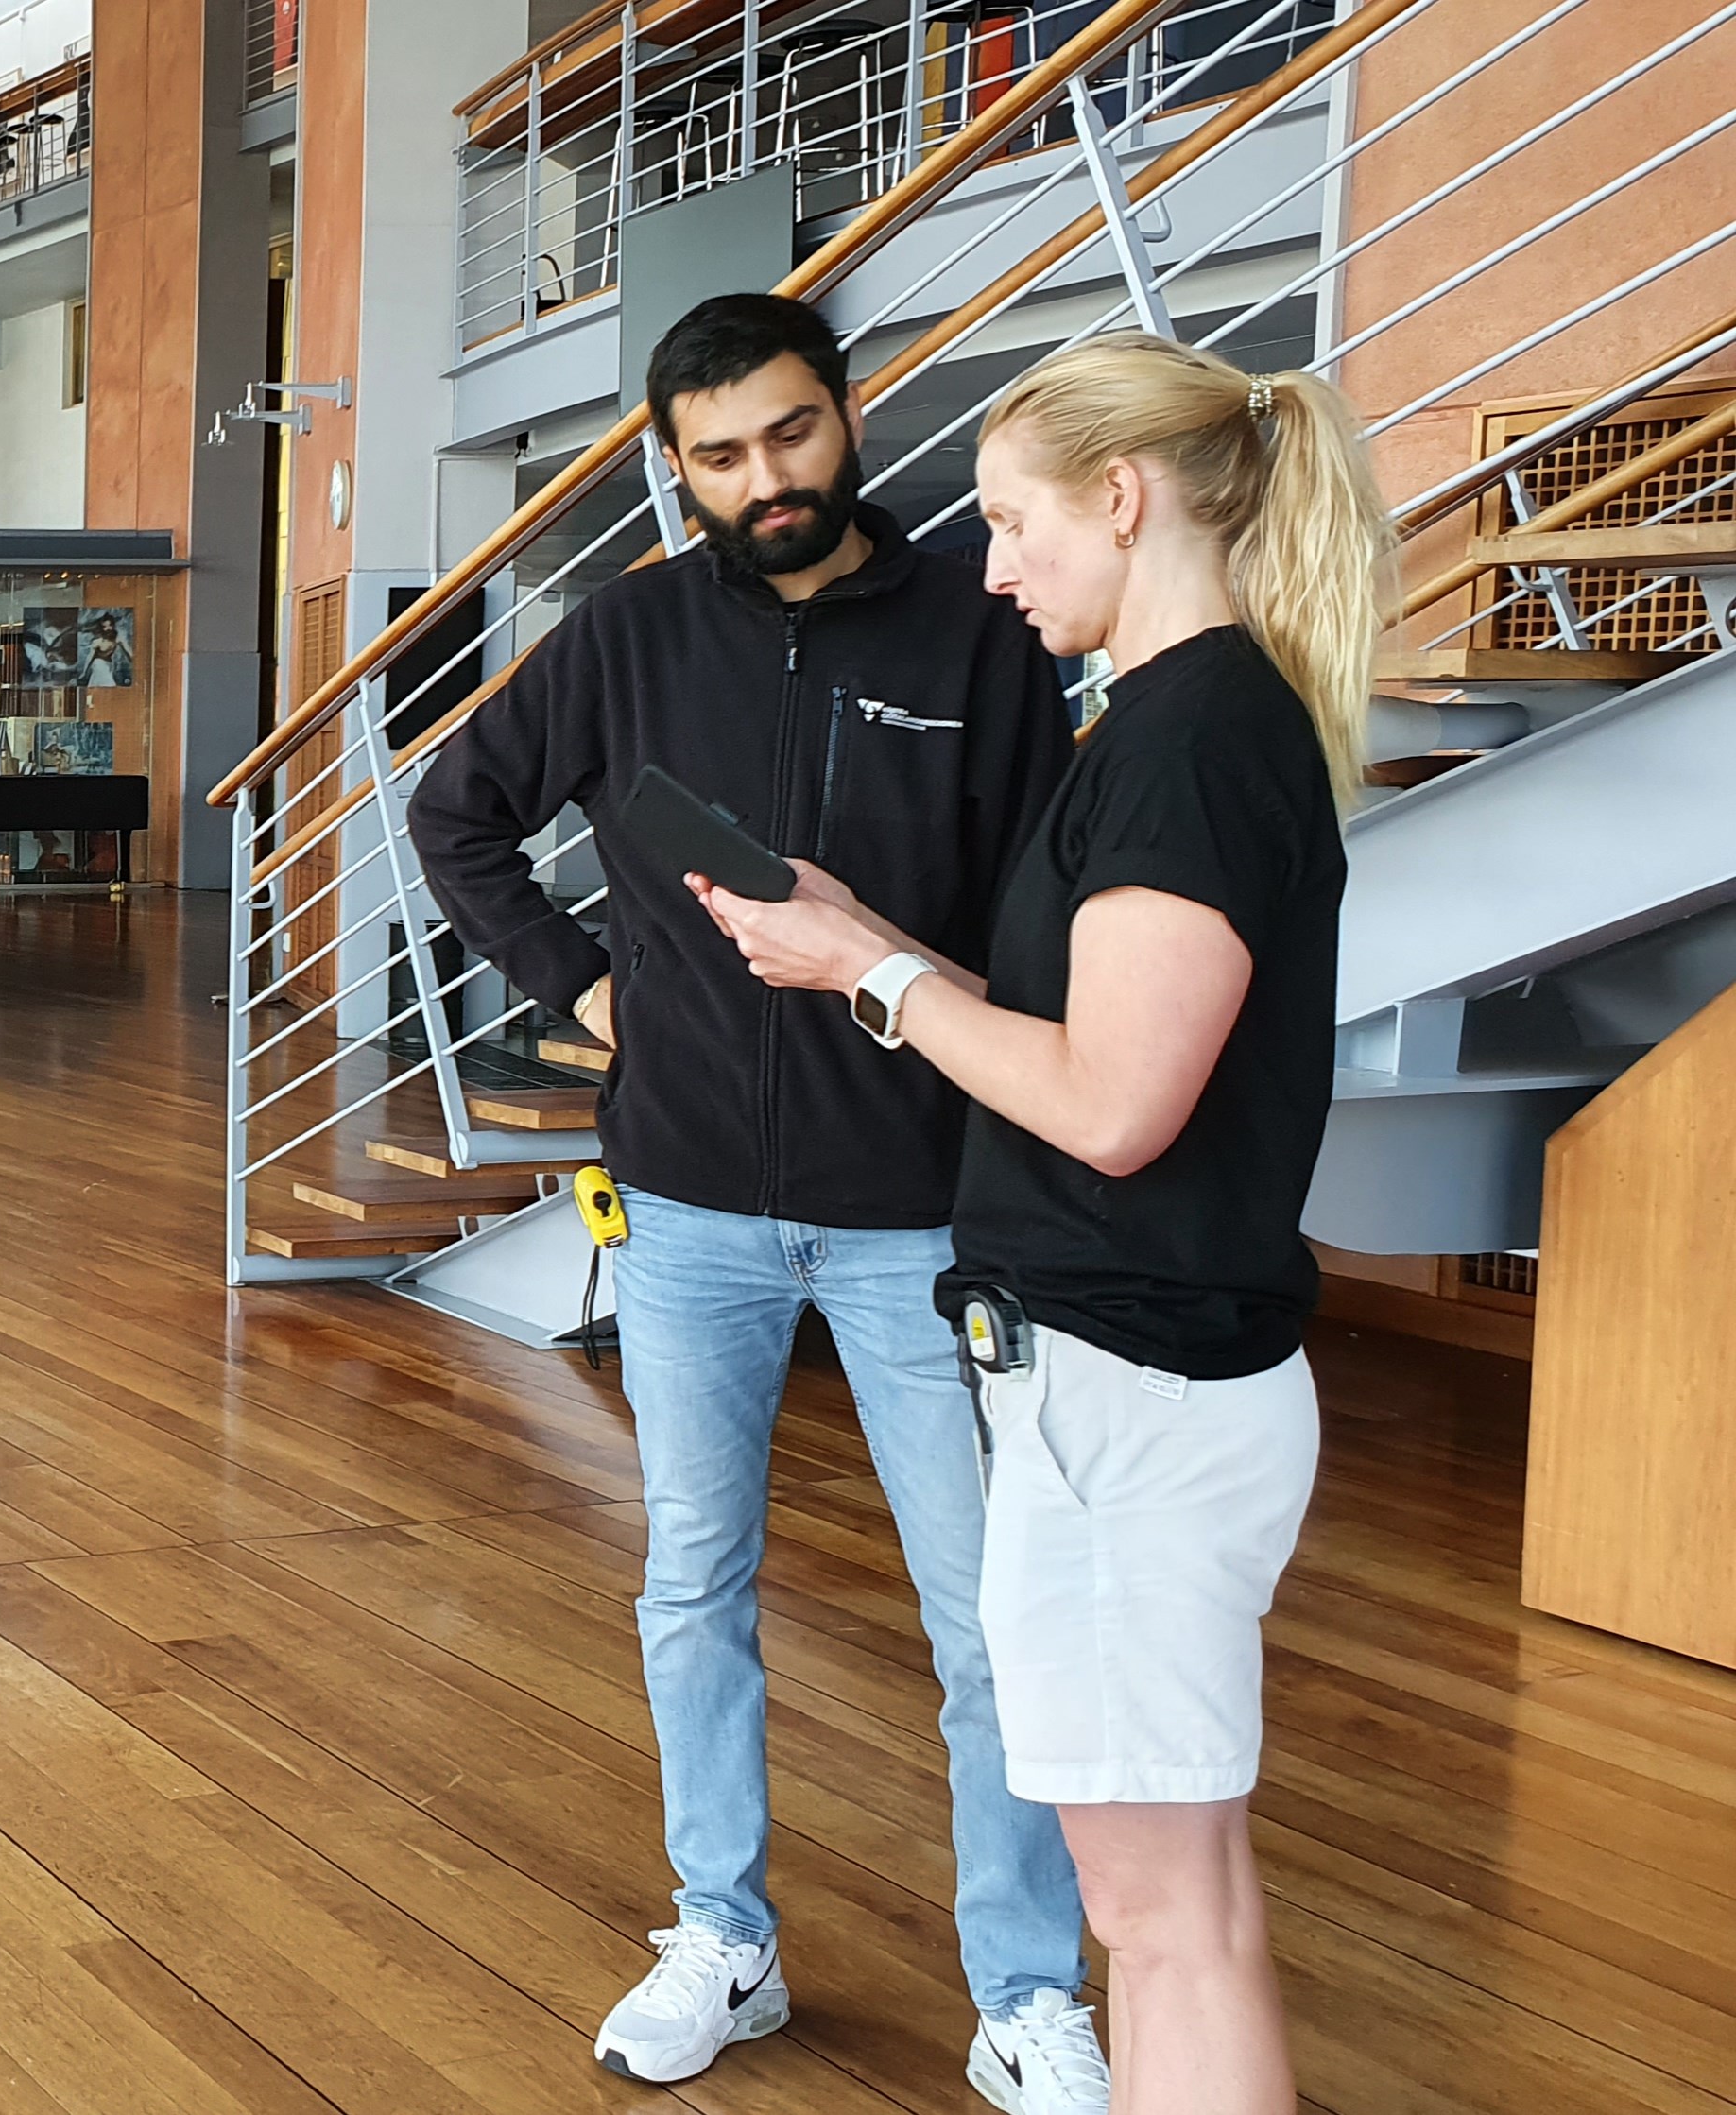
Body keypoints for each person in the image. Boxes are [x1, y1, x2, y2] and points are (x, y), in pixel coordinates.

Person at [408, 292, 1107, 2109]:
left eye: (790, 435)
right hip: (694, 1197)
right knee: (693, 1580)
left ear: (847, 415)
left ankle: (1028, 1990)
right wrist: (580, 988)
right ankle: (727, 1929)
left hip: (923, 1211)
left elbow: (1044, 911)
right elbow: (456, 812)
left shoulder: (982, 633)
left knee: (985, 1614)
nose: (764, 479)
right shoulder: (628, 636)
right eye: (719, 456)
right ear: (676, 466)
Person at [698, 332, 1384, 2115]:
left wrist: (867, 973)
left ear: (1125, 498)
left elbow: (1110, 1103)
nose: (992, 567)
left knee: (1157, 1919)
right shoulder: (1190, 723)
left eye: (1014, 521)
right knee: (1181, 1904)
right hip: (1142, 1387)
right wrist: (889, 949)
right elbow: (1096, 1048)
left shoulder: (1192, 739)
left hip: (1127, 1398)